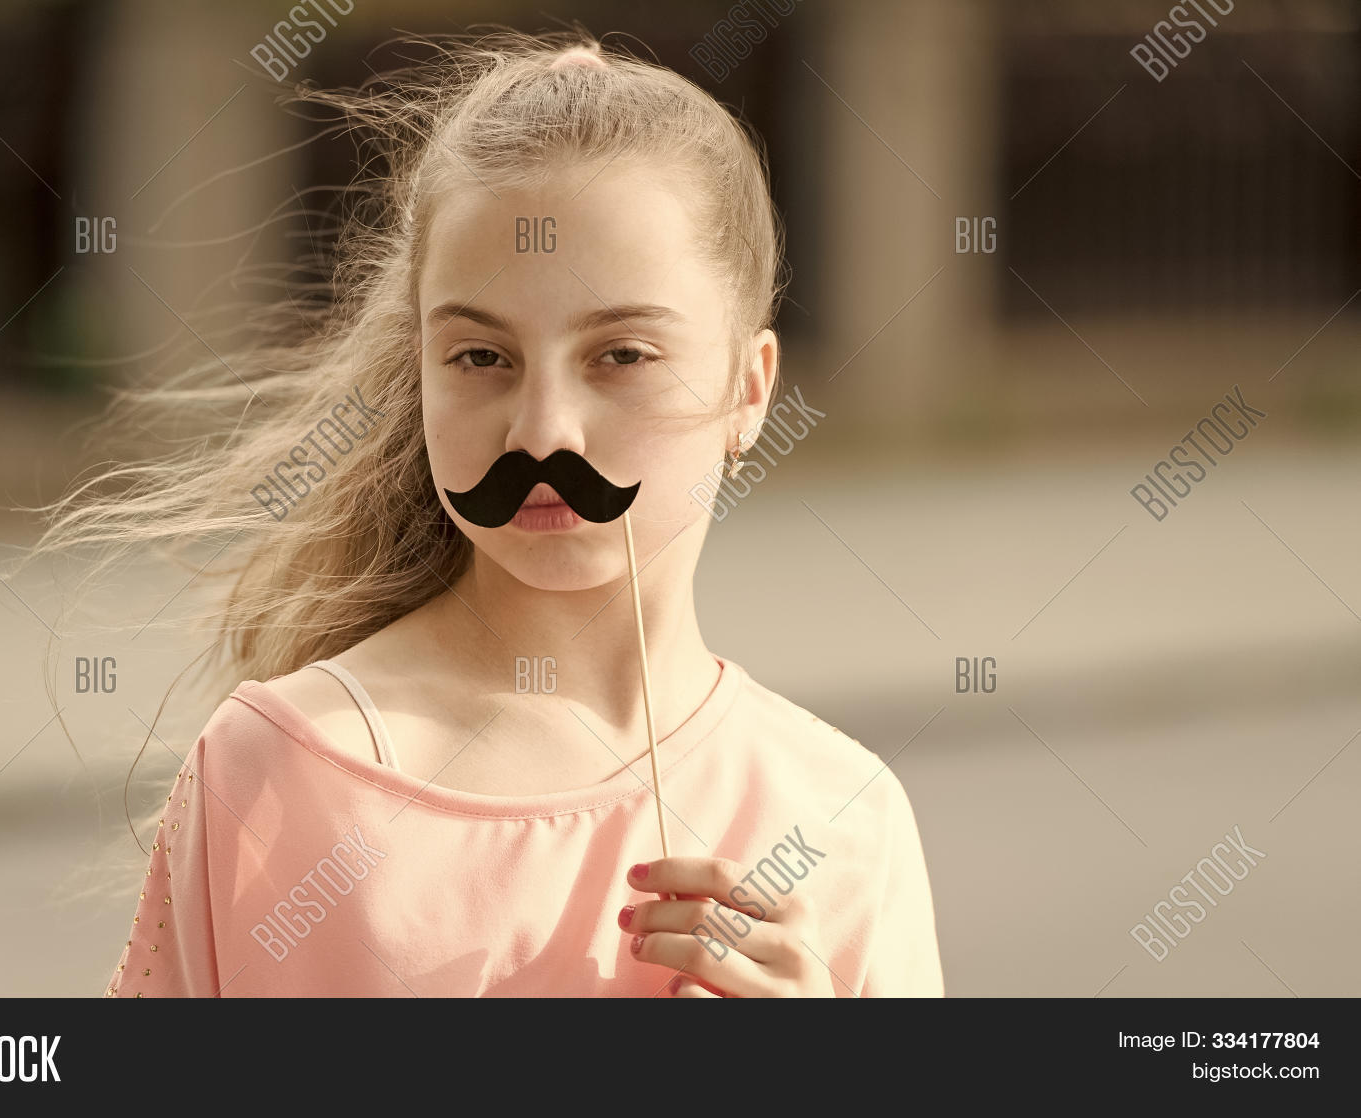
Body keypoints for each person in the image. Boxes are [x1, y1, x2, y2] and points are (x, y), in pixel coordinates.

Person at [62, 30, 942, 997]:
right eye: (482, 357)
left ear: (750, 388)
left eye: (622, 355)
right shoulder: (285, 767)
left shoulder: (846, 820)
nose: (542, 431)